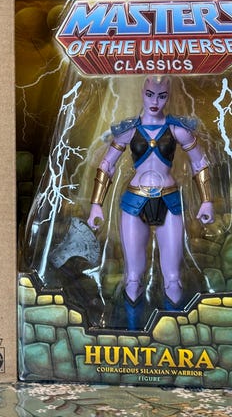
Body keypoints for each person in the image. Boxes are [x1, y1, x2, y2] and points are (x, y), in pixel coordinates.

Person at [87, 76, 214, 314]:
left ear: (168, 96)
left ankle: (172, 329)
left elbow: (200, 163)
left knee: (173, 279)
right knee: (133, 279)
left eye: (162, 96)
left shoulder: (178, 129)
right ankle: (133, 330)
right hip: (135, 201)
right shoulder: (128, 130)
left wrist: (207, 201)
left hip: (169, 201)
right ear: (142, 92)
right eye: (150, 94)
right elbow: (106, 165)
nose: (155, 101)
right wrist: (96, 204)